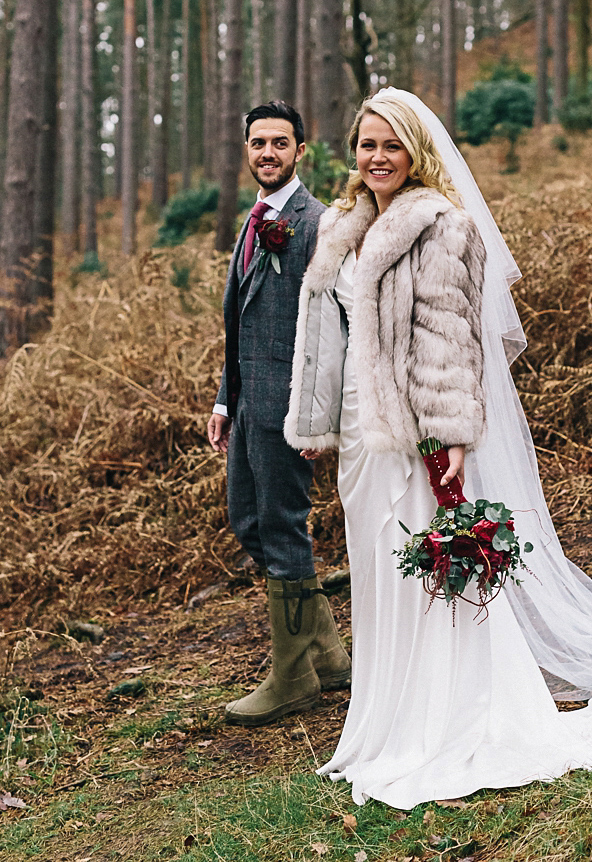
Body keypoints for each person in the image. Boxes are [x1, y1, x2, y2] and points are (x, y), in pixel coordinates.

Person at [284, 88, 592, 810]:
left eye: (392, 144)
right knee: (378, 575)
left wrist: (452, 434)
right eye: (367, 144)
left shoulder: (443, 226)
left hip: (420, 428)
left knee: (434, 576)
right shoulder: (344, 225)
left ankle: (451, 715)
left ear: (417, 152)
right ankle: (386, 718)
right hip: (361, 439)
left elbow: (451, 336)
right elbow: (327, 332)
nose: (378, 157)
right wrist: (316, 420)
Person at [208, 100, 351, 727]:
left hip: (292, 409)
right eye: (258, 142)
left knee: (283, 526)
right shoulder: (256, 217)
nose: (267, 153)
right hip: (247, 407)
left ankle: (292, 676)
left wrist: (321, 417)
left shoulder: (316, 222)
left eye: (280, 143)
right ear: (248, 149)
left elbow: (337, 328)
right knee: (249, 523)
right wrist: (223, 399)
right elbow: (239, 319)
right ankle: (327, 655)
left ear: (301, 151)